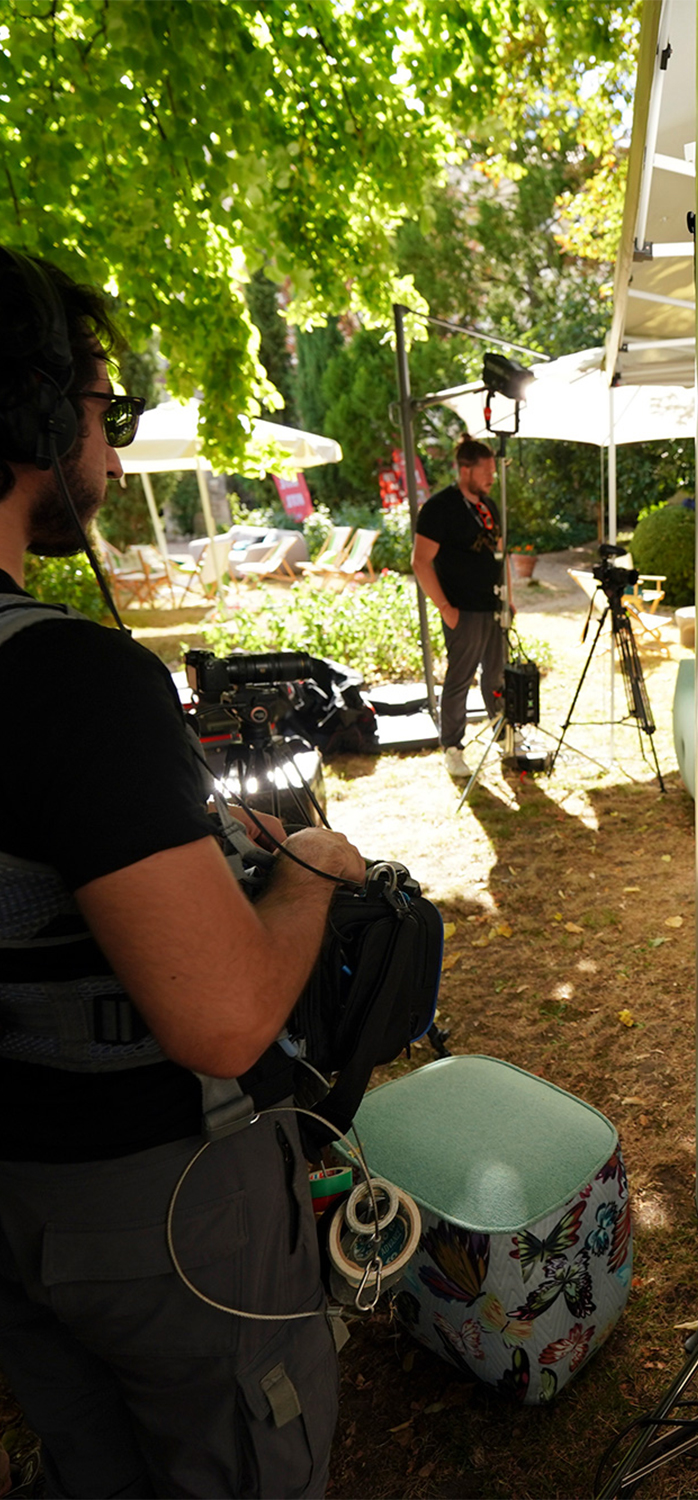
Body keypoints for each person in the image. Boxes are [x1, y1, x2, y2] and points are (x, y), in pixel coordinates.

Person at [0, 247, 363, 1496]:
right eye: (108, 410)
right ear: (38, 414)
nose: (110, 446)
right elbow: (223, 1017)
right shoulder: (68, 682)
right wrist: (308, 867)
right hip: (163, 1215)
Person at [411, 435, 505, 777]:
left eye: (493, 471)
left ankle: (504, 732)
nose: (492, 478)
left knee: (496, 673)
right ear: (465, 470)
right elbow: (420, 562)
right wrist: (444, 607)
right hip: (461, 609)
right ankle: (452, 746)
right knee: (460, 679)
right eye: (486, 471)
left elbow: (500, 551)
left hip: (493, 605)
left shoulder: (489, 506)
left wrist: (510, 597)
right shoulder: (439, 508)